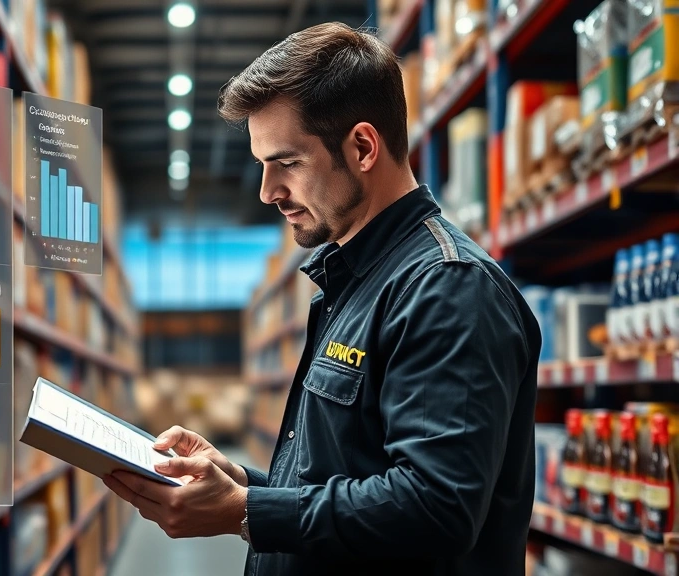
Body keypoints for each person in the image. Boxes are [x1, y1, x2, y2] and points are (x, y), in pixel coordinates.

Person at [102, 21, 541, 576]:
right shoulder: (354, 282)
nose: (267, 192)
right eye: (263, 166)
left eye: (285, 163)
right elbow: (349, 479)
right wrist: (241, 484)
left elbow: (437, 507)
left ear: (361, 147)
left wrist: (247, 512)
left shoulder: (446, 287)